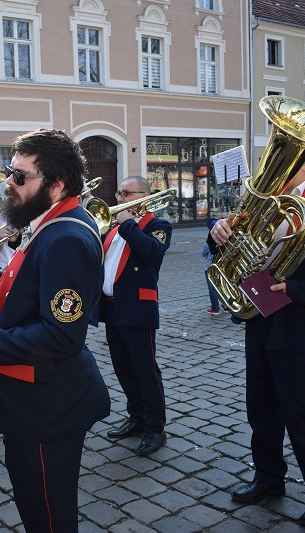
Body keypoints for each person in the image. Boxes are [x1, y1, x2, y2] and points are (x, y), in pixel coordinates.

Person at [0, 129, 110, 532]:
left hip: (46, 407)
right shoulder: (48, 221)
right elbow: (35, 293)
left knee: (48, 516)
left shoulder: (64, 236)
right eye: (8, 173)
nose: (8, 184)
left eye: (20, 177)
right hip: (34, 400)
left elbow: (60, 336)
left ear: (56, 185)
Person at [209, 152, 305, 529]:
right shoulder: (262, 201)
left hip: (299, 315)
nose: (271, 169)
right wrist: (218, 235)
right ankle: (268, 477)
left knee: (299, 409)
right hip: (259, 310)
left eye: (285, 159)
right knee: (259, 401)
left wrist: (294, 290)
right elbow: (234, 251)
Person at [97, 176, 171, 457]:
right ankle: (136, 417)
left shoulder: (157, 225)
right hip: (112, 307)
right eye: (119, 193)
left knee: (145, 370)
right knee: (123, 368)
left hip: (138, 308)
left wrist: (128, 224)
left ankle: (155, 428)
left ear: (144, 196)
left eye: (127, 193)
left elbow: (151, 252)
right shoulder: (114, 228)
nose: (120, 198)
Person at [203, 218, 220, 315]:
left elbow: (203, 253)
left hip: (209, 266)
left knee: (212, 288)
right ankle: (226, 307)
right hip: (220, 266)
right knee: (220, 286)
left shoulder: (208, 241)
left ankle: (215, 308)